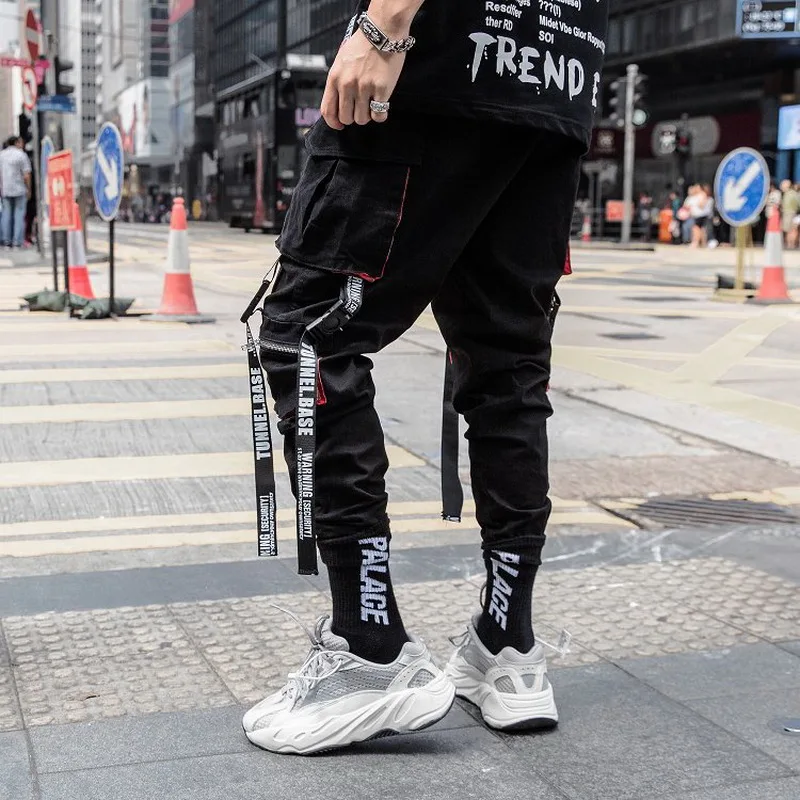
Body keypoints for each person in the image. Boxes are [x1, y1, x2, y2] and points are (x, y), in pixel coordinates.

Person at [242, 0, 610, 755]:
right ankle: (508, 648)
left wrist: (383, 26)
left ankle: (368, 645)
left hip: (438, 62)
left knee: (308, 335)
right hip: (557, 80)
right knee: (508, 366)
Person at [0, 136, 32, 250]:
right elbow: (26, 174)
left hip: (5, 189)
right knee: (19, 215)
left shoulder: (1, 155)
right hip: (19, 189)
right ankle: (17, 242)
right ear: (17, 143)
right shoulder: (21, 155)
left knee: (6, 214)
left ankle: (6, 241)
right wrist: (29, 189)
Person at [780, 179, 800, 249]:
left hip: (790, 213)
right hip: (789, 213)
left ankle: (791, 244)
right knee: (790, 229)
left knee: (791, 229)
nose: (781, 187)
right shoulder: (788, 193)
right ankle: (790, 244)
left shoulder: (791, 194)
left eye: (782, 185)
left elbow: (798, 203)